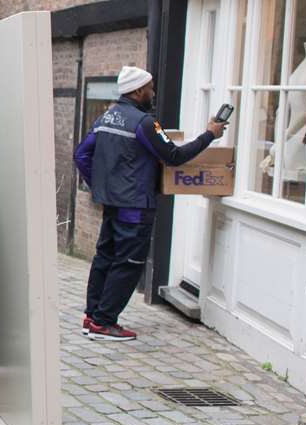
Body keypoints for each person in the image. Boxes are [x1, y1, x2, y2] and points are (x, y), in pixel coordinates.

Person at [73, 66, 226, 341]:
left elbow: (82, 154)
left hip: (112, 204)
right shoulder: (144, 123)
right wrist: (210, 135)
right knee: (128, 263)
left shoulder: (107, 116)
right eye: (150, 88)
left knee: (104, 259)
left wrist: (100, 186)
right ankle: (104, 322)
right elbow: (174, 156)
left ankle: (92, 316)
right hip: (135, 207)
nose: (152, 92)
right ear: (137, 90)